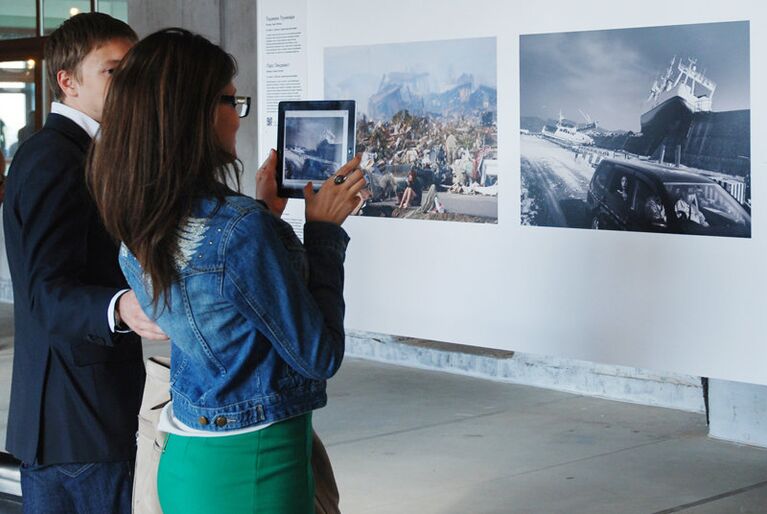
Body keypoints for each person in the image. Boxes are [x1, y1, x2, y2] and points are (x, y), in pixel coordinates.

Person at [87, 28, 365, 514]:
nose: (238, 119)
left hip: (188, 457)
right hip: (255, 469)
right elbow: (319, 355)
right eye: (231, 103)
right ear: (192, 111)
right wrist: (322, 232)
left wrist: (265, 214)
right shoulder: (240, 230)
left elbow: (220, 311)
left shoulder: (138, 222)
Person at [2, 13, 167, 514]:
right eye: (115, 71)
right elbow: (43, 291)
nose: (130, 84)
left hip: (77, 417)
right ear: (67, 82)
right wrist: (121, 308)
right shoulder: (56, 157)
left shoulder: (85, 153)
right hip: (79, 420)